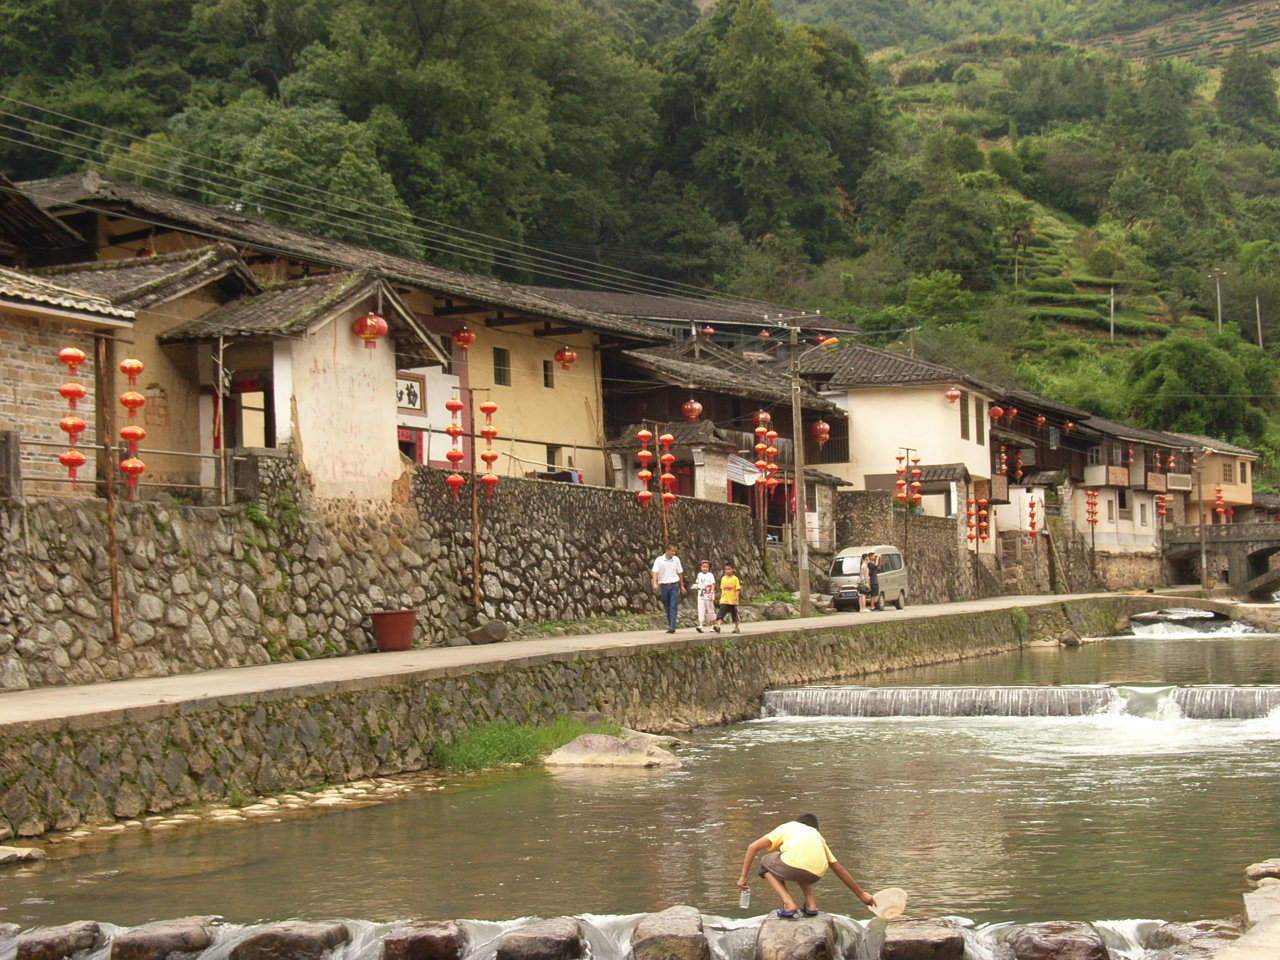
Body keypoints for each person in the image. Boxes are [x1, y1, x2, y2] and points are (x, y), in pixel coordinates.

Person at [737, 813, 876, 919]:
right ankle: (811, 905)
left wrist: (743, 877)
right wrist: (862, 895)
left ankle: (789, 903)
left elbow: (753, 847)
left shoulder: (789, 826)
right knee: (802, 865)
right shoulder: (817, 836)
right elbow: (839, 869)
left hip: (794, 864)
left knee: (765, 863)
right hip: (816, 874)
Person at [651, 544, 686, 633]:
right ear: (667, 551)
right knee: (666, 604)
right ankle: (670, 622)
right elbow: (655, 572)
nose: (673, 553)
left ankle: (672, 626)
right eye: (672, 551)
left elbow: (680, 572)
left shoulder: (676, 559)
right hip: (664, 585)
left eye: (674, 551)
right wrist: (655, 583)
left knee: (673, 605)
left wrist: (681, 586)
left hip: (674, 585)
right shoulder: (659, 560)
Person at [712, 561, 741, 634]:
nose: (727, 571)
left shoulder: (735, 579)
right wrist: (721, 598)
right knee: (721, 612)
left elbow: (738, 589)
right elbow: (722, 589)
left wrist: (736, 597)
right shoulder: (723, 579)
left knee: (734, 614)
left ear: (733, 570)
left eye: (729, 569)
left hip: (732, 600)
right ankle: (718, 626)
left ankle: (736, 627)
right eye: (726, 569)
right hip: (724, 600)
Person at [694, 560, 717, 633]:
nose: (705, 568)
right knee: (701, 610)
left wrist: (711, 593)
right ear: (700, 567)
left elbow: (713, 584)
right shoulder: (699, 575)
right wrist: (695, 586)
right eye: (703, 567)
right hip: (701, 595)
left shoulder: (710, 575)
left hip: (708, 595)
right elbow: (698, 583)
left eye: (706, 567)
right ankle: (701, 625)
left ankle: (714, 625)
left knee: (710, 610)